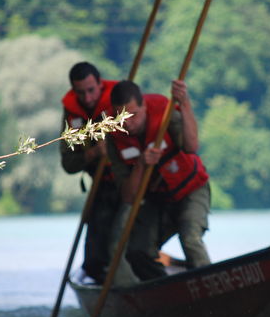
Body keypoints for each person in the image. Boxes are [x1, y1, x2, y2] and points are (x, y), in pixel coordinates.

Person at [106, 79, 211, 281]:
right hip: (156, 199)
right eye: (121, 117)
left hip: (191, 188)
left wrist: (185, 104)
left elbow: (191, 146)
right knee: (136, 252)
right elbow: (129, 196)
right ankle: (164, 292)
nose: (127, 123)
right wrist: (141, 165)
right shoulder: (113, 135)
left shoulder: (165, 111)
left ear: (144, 106)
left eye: (133, 115)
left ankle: (209, 290)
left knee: (190, 240)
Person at [60, 61, 120, 284]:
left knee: (132, 243)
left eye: (91, 90)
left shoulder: (118, 100)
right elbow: (68, 164)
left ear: (100, 85)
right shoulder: (71, 114)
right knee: (94, 253)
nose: (87, 98)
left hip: (130, 182)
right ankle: (98, 277)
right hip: (100, 187)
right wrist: (94, 153)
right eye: (80, 92)